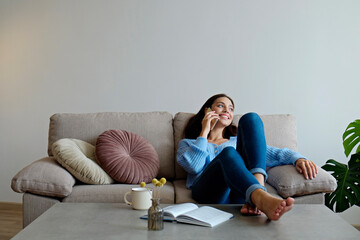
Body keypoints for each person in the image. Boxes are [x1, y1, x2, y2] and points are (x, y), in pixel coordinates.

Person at [177, 93, 318, 220]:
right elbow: (194, 167)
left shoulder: (235, 141)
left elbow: (275, 153)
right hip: (209, 193)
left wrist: (298, 158)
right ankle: (259, 197)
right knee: (229, 153)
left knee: (251, 118)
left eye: (231, 108)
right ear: (207, 111)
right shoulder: (189, 143)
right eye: (221, 106)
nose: (227, 110)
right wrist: (204, 131)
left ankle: (257, 194)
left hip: (241, 194)